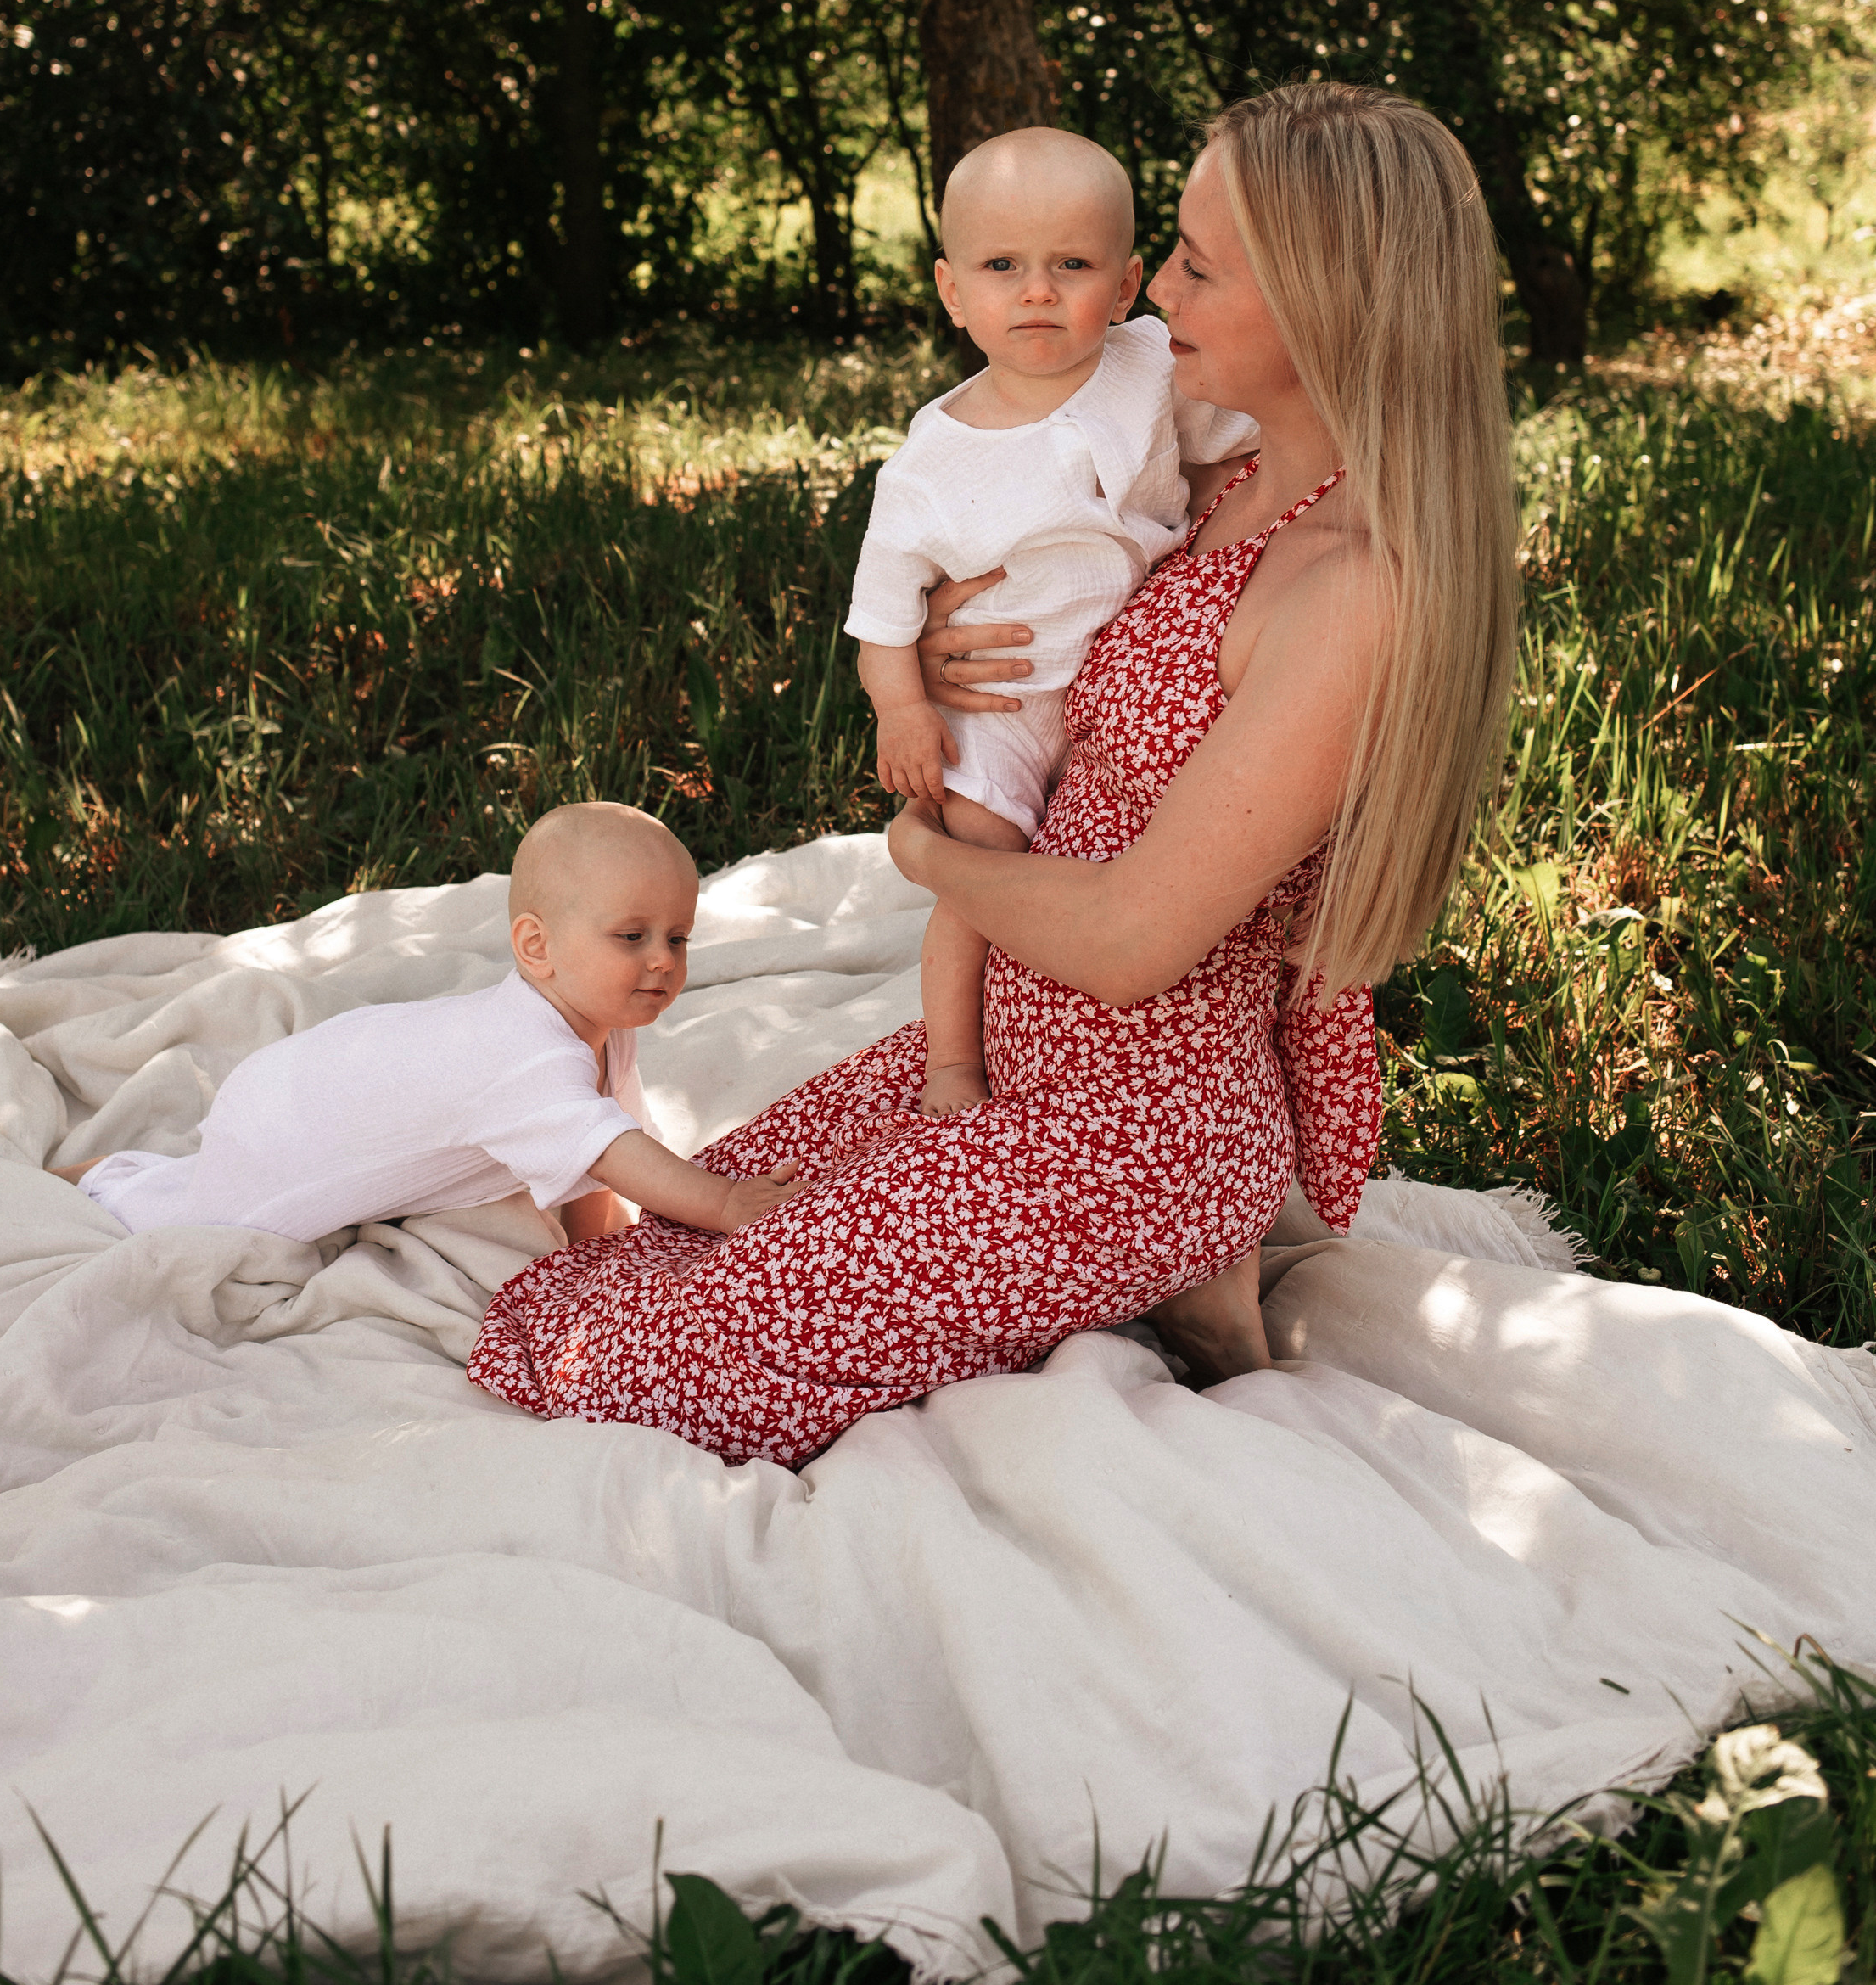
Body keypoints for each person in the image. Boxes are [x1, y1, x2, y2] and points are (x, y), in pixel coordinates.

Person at [467, 84, 1520, 1467]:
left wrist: (925, 855)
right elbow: (1056, 612)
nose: (1156, 292)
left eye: (1198, 266)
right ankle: (1152, 1285)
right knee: (673, 1230)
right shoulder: (1213, 477)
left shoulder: (1353, 590)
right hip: (1004, 1054)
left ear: (1330, 303)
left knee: (646, 1368)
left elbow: (1136, 937)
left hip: (1128, 1131)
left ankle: (1173, 1259)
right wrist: (943, 658)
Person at [847, 125, 1257, 1118]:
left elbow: (1237, 443)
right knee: (979, 867)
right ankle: (953, 1062)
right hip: (1001, 702)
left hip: (1123, 680)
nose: (1037, 291)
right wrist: (902, 711)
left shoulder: (1146, 364)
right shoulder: (930, 463)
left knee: (1100, 849)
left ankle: (1082, 1040)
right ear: (952, 291)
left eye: (1071, 265)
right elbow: (882, 617)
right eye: (1002, 267)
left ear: (1125, 286)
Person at [58, 804, 800, 1245]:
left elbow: (599, 1156)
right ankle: (89, 1182)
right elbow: (611, 1155)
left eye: (679, 937)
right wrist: (724, 1202)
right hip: (286, 1122)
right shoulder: (525, 1061)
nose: (663, 960)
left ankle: (126, 1170)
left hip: (325, 1080)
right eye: (632, 937)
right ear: (536, 947)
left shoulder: (605, 1028)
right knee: (201, 1222)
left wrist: (600, 1255)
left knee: (190, 1178)